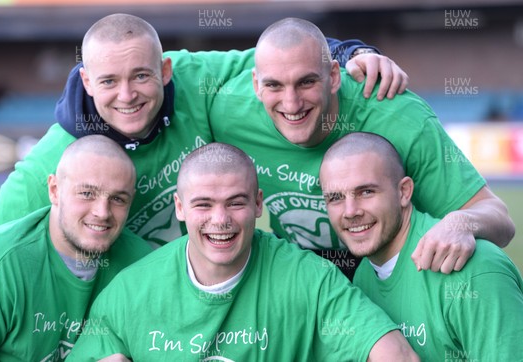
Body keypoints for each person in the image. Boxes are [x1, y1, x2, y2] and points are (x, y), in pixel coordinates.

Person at [0, 13, 410, 248]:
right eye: (109, 82)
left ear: (165, 70)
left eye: (142, 76)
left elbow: (277, 56)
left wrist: (354, 51)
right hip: (120, 299)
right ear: (89, 82)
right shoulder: (59, 155)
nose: (127, 95)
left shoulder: (193, 78)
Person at [208, 17, 514, 279]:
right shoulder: (227, 112)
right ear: (255, 85)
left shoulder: (399, 120)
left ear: (333, 77)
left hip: (397, 277)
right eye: (274, 85)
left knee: (480, 259)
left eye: (306, 82)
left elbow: (498, 218)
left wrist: (459, 223)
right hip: (305, 278)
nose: (292, 103)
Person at [67, 143, 418, 361]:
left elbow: (395, 355)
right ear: (179, 207)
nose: (220, 220)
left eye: (235, 203)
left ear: (258, 204)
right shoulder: (130, 292)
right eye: (203, 204)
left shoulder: (308, 279)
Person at [0, 135, 153, 361]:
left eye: (118, 199)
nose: (102, 212)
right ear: (54, 190)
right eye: (87, 193)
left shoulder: (143, 266)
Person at [319, 132, 523, 359]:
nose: (350, 212)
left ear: (403, 192)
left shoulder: (475, 270)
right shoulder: (362, 277)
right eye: (335, 198)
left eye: (366, 192)